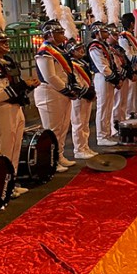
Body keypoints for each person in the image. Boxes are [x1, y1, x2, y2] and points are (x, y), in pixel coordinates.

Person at [0, 27, 39, 196]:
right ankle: (0, 186)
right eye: (1, 41)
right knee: (5, 149)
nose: (6, 44)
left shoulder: (8, 61)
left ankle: (11, 183)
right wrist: (22, 85)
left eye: (6, 41)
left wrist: (28, 86)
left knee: (15, 148)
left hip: (15, 107)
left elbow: (14, 86)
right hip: (3, 109)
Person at [35, 21, 80, 171]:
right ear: (49, 35)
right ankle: (51, 161)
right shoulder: (45, 52)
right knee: (52, 129)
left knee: (62, 127)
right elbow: (50, 76)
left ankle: (59, 155)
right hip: (50, 92)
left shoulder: (57, 50)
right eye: (59, 33)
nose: (62, 35)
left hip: (61, 92)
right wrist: (66, 90)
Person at [88, 22, 122, 146]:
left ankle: (107, 133)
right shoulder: (95, 47)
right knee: (102, 107)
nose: (107, 34)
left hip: (108, 77)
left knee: (108, 107)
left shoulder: (103, 45)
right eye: (104, 32)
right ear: (97, 33)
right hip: (102, 78)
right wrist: (115, 79)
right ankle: (101, 136)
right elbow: (103, 67)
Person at [65, 38, 98, 159]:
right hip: (80, 96)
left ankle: (85, 146)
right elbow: (76, 82)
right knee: (78, 122)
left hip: (87, 94)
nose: (82, 50)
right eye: (78, 49)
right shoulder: (71, 64)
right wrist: (86, 92)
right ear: (72, 51)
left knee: (85, 123)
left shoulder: (82, 62)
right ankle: (79, 149)